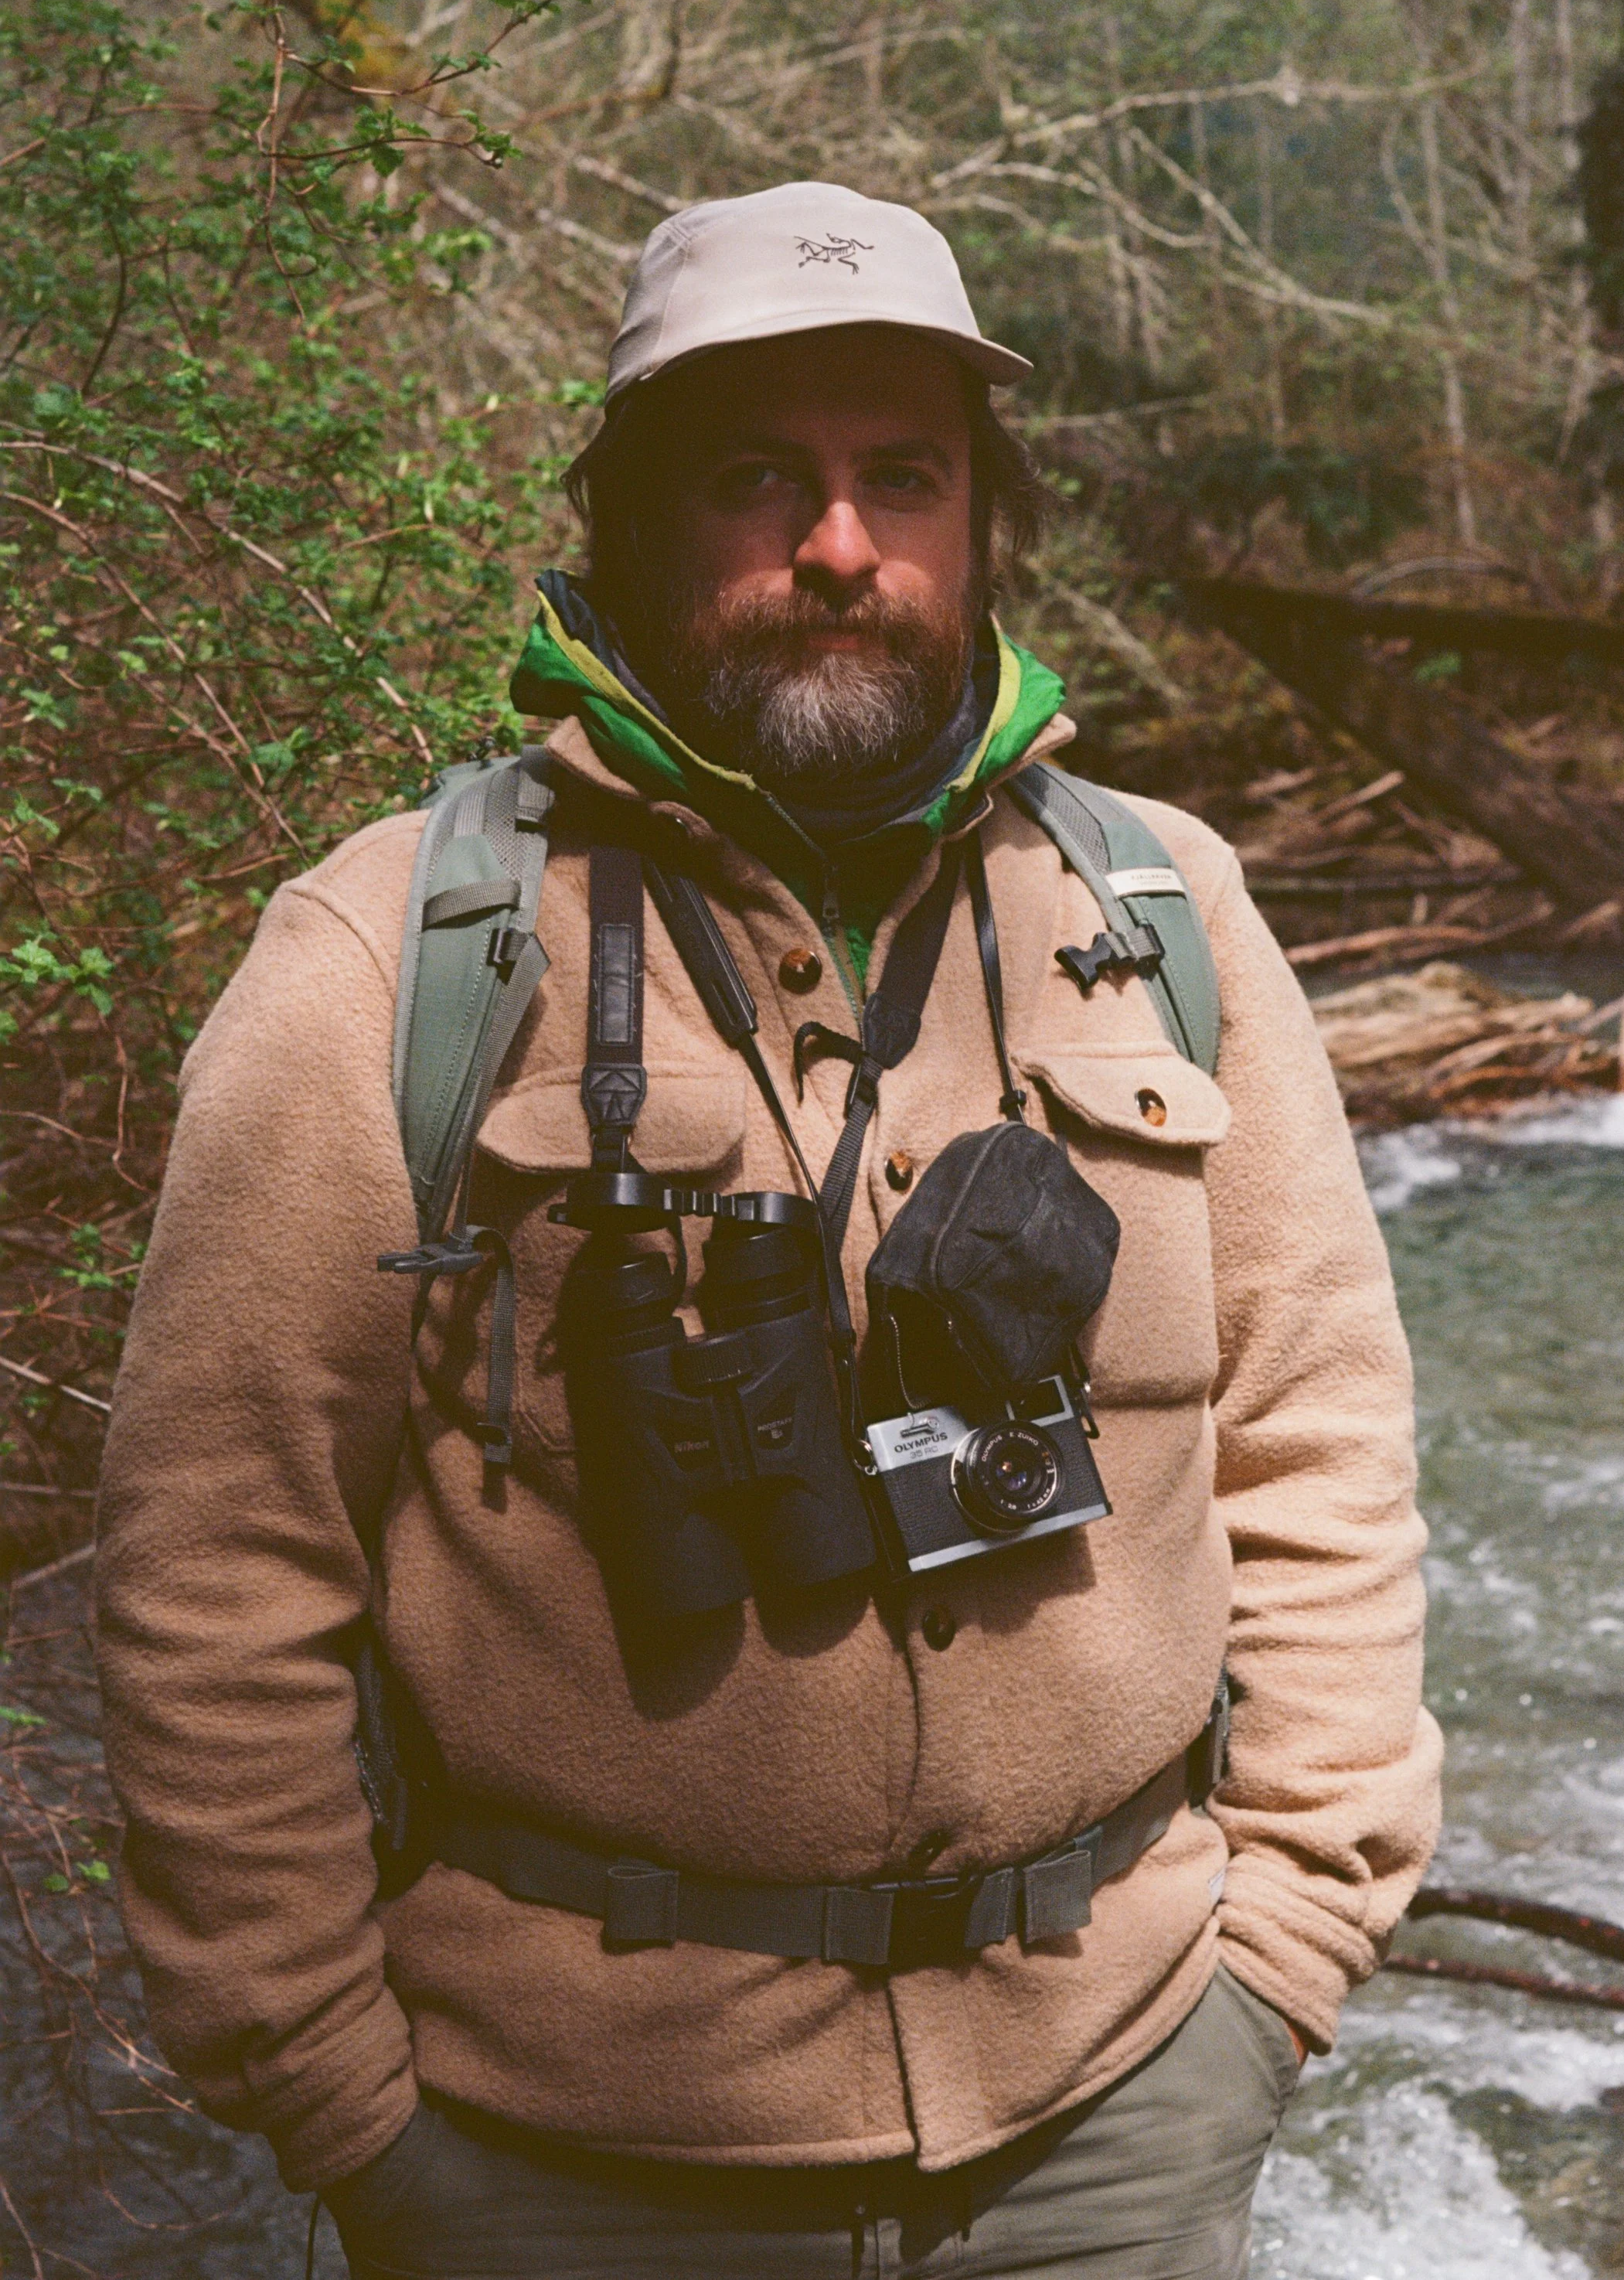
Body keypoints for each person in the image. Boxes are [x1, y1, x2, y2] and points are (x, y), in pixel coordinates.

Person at [94, 182, 1440, 2280]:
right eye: (755, 479)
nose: (838, 548)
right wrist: (343, 2103)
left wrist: (1285, 1947)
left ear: (984, 520)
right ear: (630, 517)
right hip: (566, 2159)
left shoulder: (1160, 916)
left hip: (1122, 2109)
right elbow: (215, 1567)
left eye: (899, 477)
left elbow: (1319, 1440)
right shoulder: (390, 955)